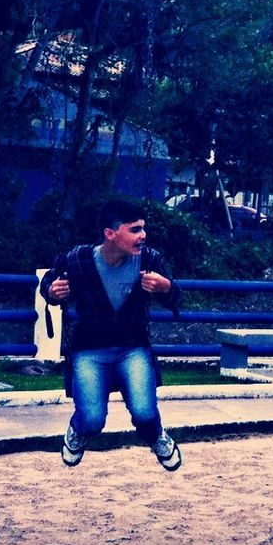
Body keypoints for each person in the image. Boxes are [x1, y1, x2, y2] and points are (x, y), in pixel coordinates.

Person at [40, 198, 184, 472]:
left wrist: (165, 287)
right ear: (110, 233)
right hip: (88, 349)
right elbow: (48, 282)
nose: (142, 236)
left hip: (133, 347)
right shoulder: (78, 259)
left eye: (143, 229)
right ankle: (78, 431)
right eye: (134, 230)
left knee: (144, 412)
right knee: (93, 419)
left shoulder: (149, 260)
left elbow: (177, 299)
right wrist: (52, 291)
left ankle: (157, 437)